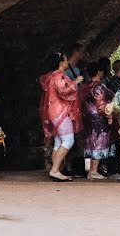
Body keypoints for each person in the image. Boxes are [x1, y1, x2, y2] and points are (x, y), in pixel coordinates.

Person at [39, 52, 83, 182]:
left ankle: (56, 170)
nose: (67, 63)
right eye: (65, 61)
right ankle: (55, 170)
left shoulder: (53, 76)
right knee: (68, 141)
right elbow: (64, 91)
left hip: (54, 111)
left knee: (58, 142)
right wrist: (76, 82)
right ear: (60, 63)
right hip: (61, 112)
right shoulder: (58, 77)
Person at [81, 61, 116, 180]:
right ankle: (93, 171)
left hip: (87, 117)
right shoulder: (98, 87)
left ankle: (92, 170)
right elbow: (101, 105)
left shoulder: (85, 86)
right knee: (98, 143)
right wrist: (109, 116)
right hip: (98, 118)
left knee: (91, 143)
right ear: (98, 72)